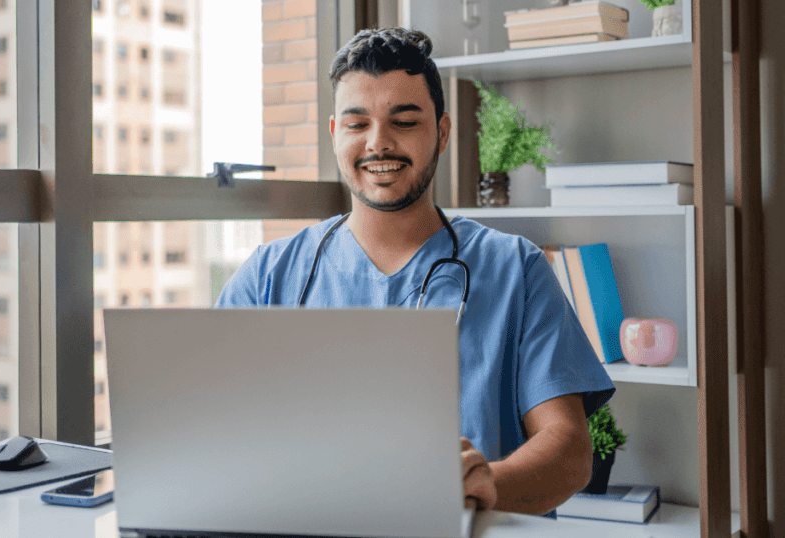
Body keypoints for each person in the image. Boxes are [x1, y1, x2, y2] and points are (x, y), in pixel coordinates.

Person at [215, 27, 615, 516]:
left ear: (442, 133)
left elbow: (570, 452)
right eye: (357, 124)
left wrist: (487, 483)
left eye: (404, 121)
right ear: (335, 134)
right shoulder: (268, 276)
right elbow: (214, 430)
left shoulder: (516, 268)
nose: (378, 143)